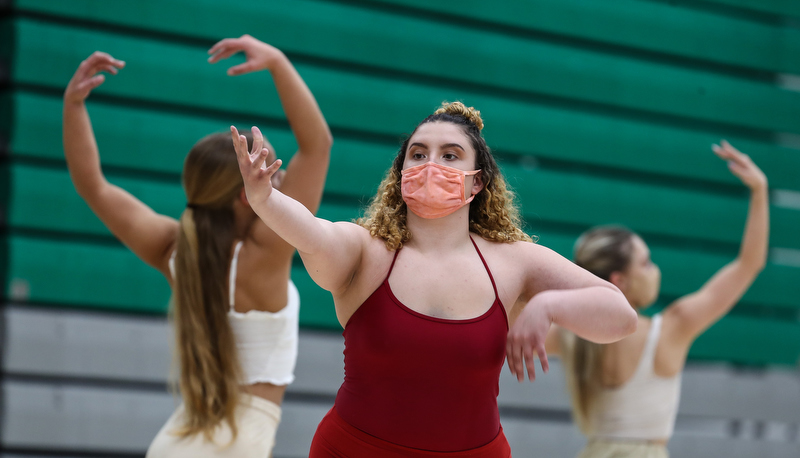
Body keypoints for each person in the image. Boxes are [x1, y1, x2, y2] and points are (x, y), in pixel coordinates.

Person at [231, 101, 638, 457]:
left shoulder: (515, 262)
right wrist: (265, 198)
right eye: (419, 153)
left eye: (450, 156)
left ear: (477, 181)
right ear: (401, 170)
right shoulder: (365, 251)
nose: (430, 165)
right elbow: (312, 231)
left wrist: (550, 304)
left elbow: (621, 316)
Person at [62, 35, 332, 457]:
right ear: (248, 195)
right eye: (271, 176)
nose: (279, 183)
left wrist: (73, 107)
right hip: (239, 443)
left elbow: (93, 186)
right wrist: (278, 61)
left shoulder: (174, 249)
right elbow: (317, 146)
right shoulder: (268, 252)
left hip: (177, 439)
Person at [550, 141, 769, 458]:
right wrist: (760, 191)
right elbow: (749, 264)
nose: (655, 270)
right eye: (646, 262)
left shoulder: (569, 333)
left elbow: (500, 332)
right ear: (619, 281)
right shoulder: (671, 328)